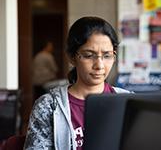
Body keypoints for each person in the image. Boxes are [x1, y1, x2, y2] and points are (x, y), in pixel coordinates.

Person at [24, 16, 131, 150]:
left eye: (107, 56)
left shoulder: (129, 102)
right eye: (88, 55)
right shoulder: (49, 106)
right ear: (72, 57)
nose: (99, 65)